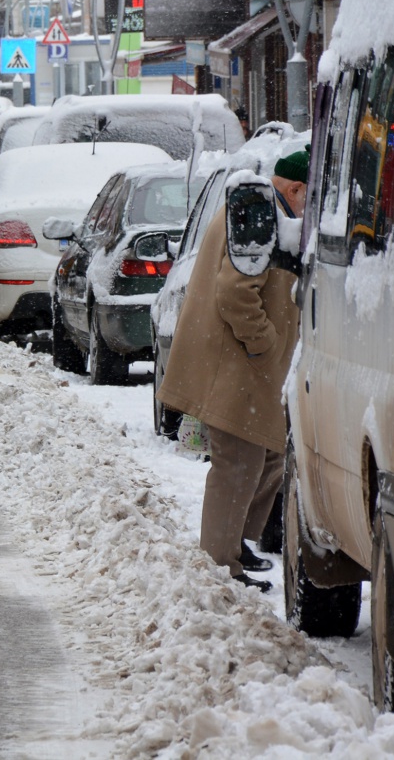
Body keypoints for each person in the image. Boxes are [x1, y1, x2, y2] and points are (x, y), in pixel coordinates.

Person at [157, 148, 310, 592]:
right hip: (238, 361)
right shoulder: (259, 215)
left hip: (246, 365)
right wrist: (266, 342)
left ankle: (236, 541)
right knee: (238, 463)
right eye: (308, 198)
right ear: (295, 189)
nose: (307, 211)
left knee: (269, 454)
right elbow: (235, 292)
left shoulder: (259, 209)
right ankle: (220, 565)